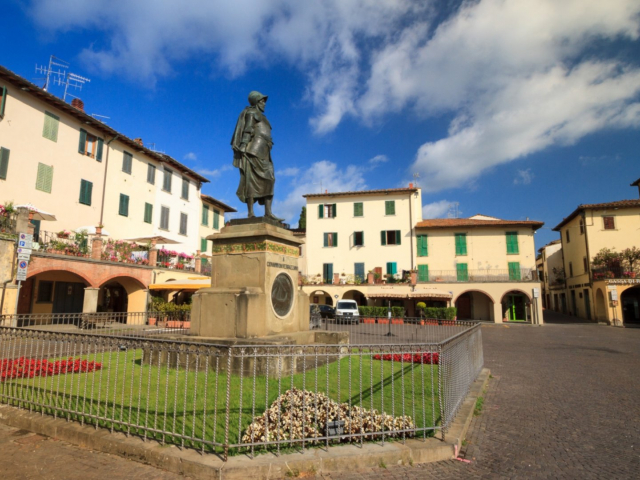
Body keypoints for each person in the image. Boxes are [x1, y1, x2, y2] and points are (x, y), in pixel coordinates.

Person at [231, 91, 283, 220]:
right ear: (256, 102)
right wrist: (243, 145)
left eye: (264, 101)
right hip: (253, 150)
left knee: (270, 179)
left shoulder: (264, 117)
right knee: (250, 181)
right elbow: (248, 129)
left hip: (265, 152)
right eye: (261, 101)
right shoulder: (252, 113)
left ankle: (268, 212)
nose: (264, 103)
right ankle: (251, 213)